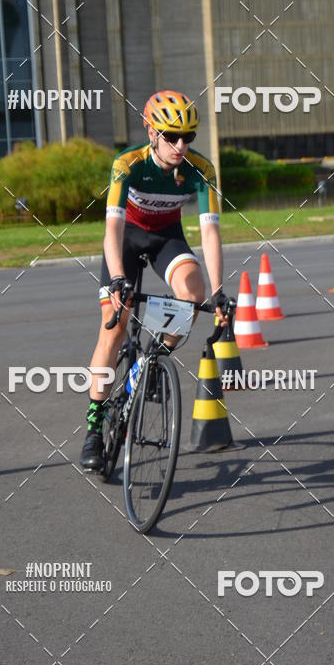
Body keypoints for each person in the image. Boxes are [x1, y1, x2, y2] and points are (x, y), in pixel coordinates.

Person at [79, 90, 227, 472]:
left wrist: (219, 290)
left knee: (192, 295)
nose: (180, 145)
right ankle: (94, 426)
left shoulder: (201, 169)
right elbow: (111, 227)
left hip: (167, 237)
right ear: (150, 131)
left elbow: (209, 232)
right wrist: (116, 278)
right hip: (126, 240)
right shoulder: (127, 163)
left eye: (188, 137)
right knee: (114, 326)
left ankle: (151, 360)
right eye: (171, 136)